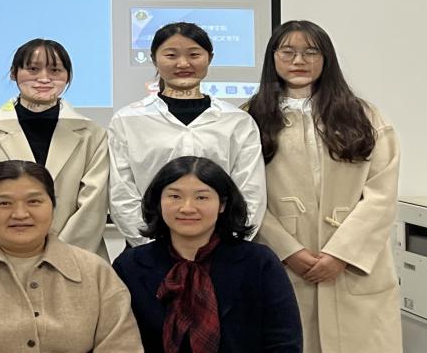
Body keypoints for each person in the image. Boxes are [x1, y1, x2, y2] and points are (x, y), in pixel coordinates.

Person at [243, 21, 401, 353]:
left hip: (354, 266)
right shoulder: (249, 118)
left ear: (326, 58)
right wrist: (288, 250)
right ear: (273, 57)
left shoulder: (364, 115)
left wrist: (341, 253)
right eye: (288, 51)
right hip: (283, 262)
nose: (299, 60)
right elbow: (243, 195)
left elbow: (381, 194)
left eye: (310, 52)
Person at [0, 160, 144, 353]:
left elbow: (122, 346)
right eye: (4, 203)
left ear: (52, 206)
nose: (20, 214)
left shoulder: (95, 271)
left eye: (34, 201)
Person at [112, 156, 302, 353]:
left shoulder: (259, 262)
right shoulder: (130, 266)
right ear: (158, 202)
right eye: (175, 196)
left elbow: (284, 342)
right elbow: (118, 342)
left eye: (201, 197)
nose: (187, 208)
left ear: (222, 204)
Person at [108, 22, 265, 246]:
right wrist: (150, 247)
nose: (183, 63)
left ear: (209, 58)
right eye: (171, 55)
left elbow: (251, 191)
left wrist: (229, 245)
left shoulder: (237, 121)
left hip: (222, 250)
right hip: (147, 248)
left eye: (194, 54)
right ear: (154, 59)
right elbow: (121, 192)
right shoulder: (127, 120)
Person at [0, 38, 110, 257]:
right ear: (14, 73)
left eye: (55, 70)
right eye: (33, 69)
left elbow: (92, 208)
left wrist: (58, 257)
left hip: (76, 257)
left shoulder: (92, 133)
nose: (44, 78)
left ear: (68, 76)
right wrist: (10, 255)